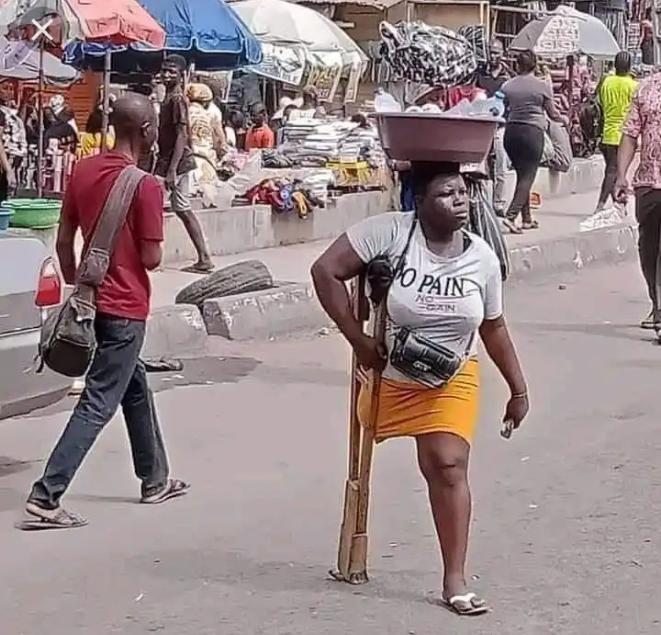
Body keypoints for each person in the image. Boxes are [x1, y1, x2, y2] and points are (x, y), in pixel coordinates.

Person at [311, 161, 529, 616]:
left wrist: (518, 389)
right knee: (389, 454)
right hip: (390, 375)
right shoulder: (389, 232)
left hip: (452, 373)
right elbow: (325, 271)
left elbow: (493, 327)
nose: (460, 201)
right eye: (446, 194)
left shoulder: (481, 258)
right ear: (420, 202)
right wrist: (358, 340)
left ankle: (455, 578)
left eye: (463, 192)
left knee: (446, 464)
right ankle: (353, 545)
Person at [21, 93, 189, 530]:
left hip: (91, 304)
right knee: (98, 401)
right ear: (147, 131)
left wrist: (81, 289)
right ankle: (46, 496)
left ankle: (155, 479)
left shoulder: (83, 170)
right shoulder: (145, 185)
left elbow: (63, 242)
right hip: (126, 307)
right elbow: (152, 258)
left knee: (134, 385)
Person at [156, 54, 214, 273]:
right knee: (183, 209)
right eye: (164, 70)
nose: (166, 75)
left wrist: (171, 169)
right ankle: (204, 257)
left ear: (181, 75)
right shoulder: (169, 97)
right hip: (177, 161)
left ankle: (153, 258)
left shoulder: (177, 99)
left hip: (174, 162)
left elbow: (182, 134)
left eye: (172, 71)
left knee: (153, 208)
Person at [501, 50, 567, 233]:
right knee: (528, 177)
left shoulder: (507, 86)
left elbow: (499, 107)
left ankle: (527, 219)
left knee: (522, 175)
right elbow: (553, 113)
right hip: (532, 133)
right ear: (535, 65)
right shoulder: (542, 86)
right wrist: (564, 119)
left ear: (517, 65)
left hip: (511, 133)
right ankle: (510, 216)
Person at [615, 70, 661, 334]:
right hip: (648, 182)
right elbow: (630, 134)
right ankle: (657, 304)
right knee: (648, 249)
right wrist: (621, 175)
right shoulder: (645, 88)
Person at [595, 52, 637, 213]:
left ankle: (618, 204)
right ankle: (600, 205)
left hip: (607, 132)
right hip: (624, 135)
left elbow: (600, 104)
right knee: (613, 171)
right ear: (629, 66)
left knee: (613, 170)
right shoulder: (633, 85)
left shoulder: (606, 82)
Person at [476, 38, 513, 218]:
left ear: (502, 54)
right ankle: (480, 202)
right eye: (490, 52)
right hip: (481, 124)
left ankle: (498, 203)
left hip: (500, 125)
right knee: (478, 164)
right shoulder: (479, 74)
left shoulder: (508, 77)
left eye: (496, 52)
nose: (493, 56)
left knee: (501, 163)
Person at [187, 83, 220, 190]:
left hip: (188, 162)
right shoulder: (207, 116)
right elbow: (215, 141)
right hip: (205, 162)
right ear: (206, 102)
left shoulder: (185, 113)